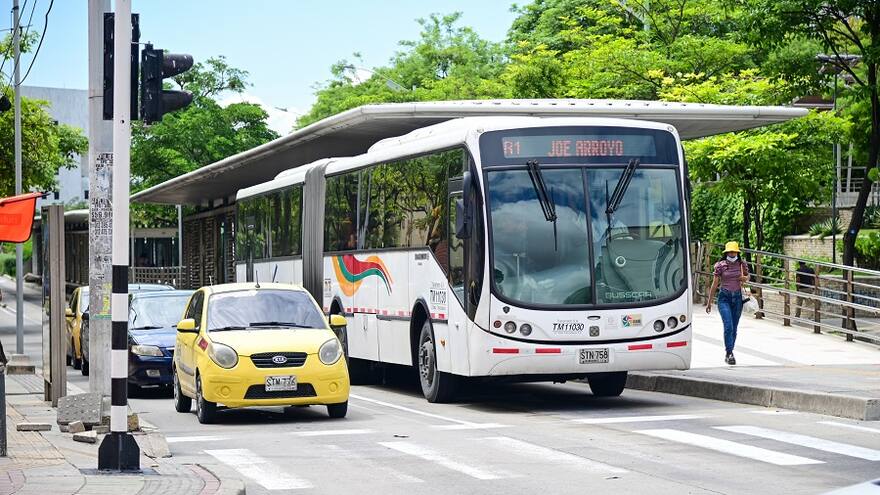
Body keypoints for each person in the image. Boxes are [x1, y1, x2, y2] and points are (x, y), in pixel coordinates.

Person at [705, 241, 749, 365]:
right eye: (730, 251)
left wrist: (745, 278)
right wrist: (709, 302)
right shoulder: (721, 265)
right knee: (728, 326)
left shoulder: (742, 264)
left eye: (734, 251)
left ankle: (730, 351)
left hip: (738, 298)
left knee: (734, 328)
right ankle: (729, 353)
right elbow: (715, 284)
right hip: (724, 298)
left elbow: (747, 276)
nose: (732, 253)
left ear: (737, 252)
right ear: (726, 252)